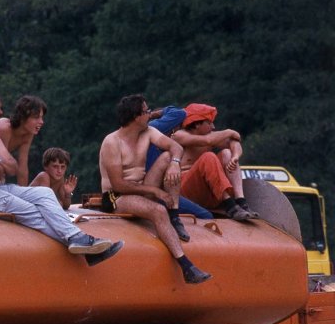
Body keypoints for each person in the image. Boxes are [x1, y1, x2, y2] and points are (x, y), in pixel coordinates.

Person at [0, 88, 122, 266]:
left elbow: (13, 167)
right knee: (30, 210)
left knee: (43, 194)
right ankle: (83, 244)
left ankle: (79, 241)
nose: (1, 111)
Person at [99, 94, 211, 284]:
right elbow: (118, 184)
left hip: (142, 188)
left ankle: (174, 216)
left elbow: (175, 147)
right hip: (117, 195)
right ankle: (186, 266)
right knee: (158, 210)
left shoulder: (148, 132)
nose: (150, 115)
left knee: (168, 157)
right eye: (146, 111)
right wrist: (156, 192)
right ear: (136, 116)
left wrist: (175, 162)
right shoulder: (112, 142)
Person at [171, 103, 258, 220]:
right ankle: (230, 206)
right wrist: (229, 131)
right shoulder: (179, 135)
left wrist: (235, 156)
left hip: (208, 191)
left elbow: (234, 141)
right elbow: (207, 140)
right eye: (209, 122)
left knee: (227, 153)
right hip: (186, 191)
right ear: (197, 124)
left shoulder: (211, 136)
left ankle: (241, 202)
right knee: (209, 157)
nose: (213, 127)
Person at [145, 106, 213, 219]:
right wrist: (152, 115)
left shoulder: (150, 134)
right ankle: (174, 217)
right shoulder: (153, 129)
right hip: (151, 193)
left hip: (157, 190)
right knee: (206, 216)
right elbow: (179, 113)